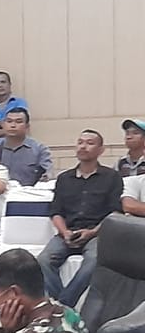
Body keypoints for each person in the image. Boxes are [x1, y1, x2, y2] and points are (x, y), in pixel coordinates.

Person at [38, 129, 122, 307]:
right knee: (43, 260)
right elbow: (56, 212)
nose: (83, 146)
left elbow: (115, 213)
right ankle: (61, 306)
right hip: (67, 232)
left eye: (90, 143)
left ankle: (62, 305)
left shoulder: (112, 177)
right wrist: (65, 232)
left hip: (98, 233)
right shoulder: (64, 178)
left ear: (101, 150)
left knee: (95, 261)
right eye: (80, 142)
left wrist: (91, 232)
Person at [0, 108, 51, 186]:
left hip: (30, 194)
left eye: (18, 122)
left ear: (27, 126)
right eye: (9, 121)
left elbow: (48, 174)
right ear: (3, 125)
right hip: (2, 194)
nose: (13, 125)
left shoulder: (39, 149)